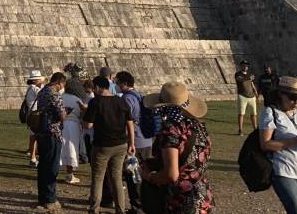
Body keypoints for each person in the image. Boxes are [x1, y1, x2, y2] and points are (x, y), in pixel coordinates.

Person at [142, 82, 214, 213]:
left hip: (180, 201)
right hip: (202, 195)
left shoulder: (171, 131)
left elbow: (172, 175)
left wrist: (149, 176)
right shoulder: (199, 127)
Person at [259, 76, 297, 214]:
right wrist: (294, 141)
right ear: (281, 94)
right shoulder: (270, 113)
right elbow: (265, 144)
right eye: (293, 97)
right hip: (284, 172)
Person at [82, 75, 135, 214]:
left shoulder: (96, 102)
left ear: (98, 87)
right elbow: (130, 123)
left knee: (98, 178)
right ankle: (120, 209)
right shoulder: (120, 100)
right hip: (121, 144)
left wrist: (84, 113)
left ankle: (94, 209)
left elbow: (88, 125)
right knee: (116, 178)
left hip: (102, 145)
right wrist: (132, 142)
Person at [115, 71, 152, 214]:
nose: (116, 85)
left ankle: (137, 207)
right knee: (145, 175)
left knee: (133, 176)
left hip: (134, 141)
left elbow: (126, 121)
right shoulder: (140, 96)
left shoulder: (126, 99)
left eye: (118, 82)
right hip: (146, 139)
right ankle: (146, 204)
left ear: (124, 83)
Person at [33, 71, 67, 211]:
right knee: (52, 166)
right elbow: (62, 114)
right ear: (59, 83)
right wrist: (66, 114)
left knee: (43, 165)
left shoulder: (42, 92)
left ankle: (42, 196)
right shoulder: (54, 94)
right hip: (53, 133)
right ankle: (50, 198)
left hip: (42, 132)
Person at [59, 78, 85, 184]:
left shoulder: (61, 97)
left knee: (62, 147)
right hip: (73, 125)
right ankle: (70, 174)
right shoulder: (77, 99)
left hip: (61, 124)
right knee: (72, 148)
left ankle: (62, 171)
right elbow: (80, 113)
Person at [24, 70, 45, 167]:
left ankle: (33, 157)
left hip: (31, 114)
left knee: (33, 137)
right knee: (35, 137)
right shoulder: (34, 88)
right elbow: (44, 95)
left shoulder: (30, 88)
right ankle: (33, 158)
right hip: (35, 115)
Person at [235, 60, 258, 135]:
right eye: (244, 65)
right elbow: (240, 80)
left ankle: (255, 129)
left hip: (252, 96)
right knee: (241, 114)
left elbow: (252, 84)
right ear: (241, 66)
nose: (246, 67)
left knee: (254, 113)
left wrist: (255, 92)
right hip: (242, 96)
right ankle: (240, 130)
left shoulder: (249, 75)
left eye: (247, 66)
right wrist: (249, 78)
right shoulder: (238, 74)